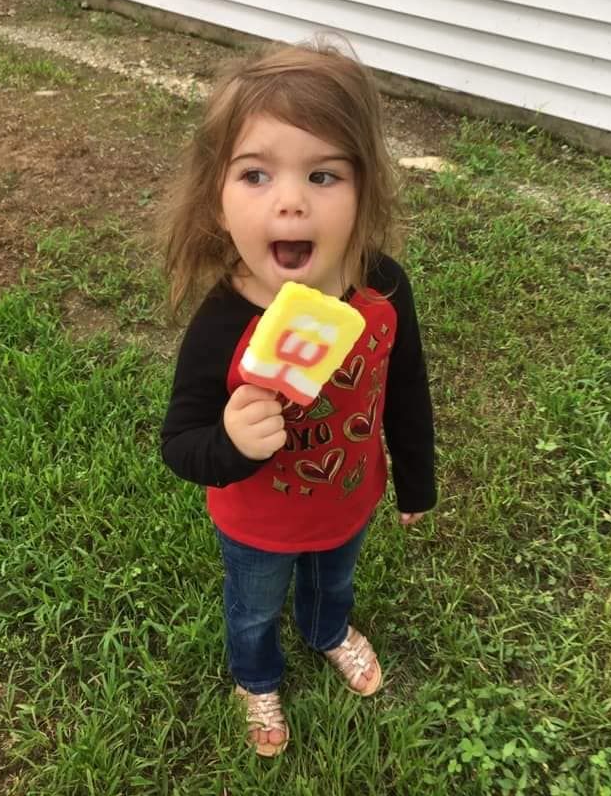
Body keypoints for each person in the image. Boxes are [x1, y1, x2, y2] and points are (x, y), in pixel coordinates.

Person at [158, 37, 436, 757]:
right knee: (252, 610)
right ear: (217, 203)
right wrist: (231, 442)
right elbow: (180, 442)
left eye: (323, 174)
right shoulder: (222, 325)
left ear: (365, 191)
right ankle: (256, 678)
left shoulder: (384, 290)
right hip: (257, 523)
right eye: (255, 175)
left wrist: (416, 479)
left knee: (333, 583)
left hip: (349, 497)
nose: (290, 200)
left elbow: (404, 388)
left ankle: (327, 631)